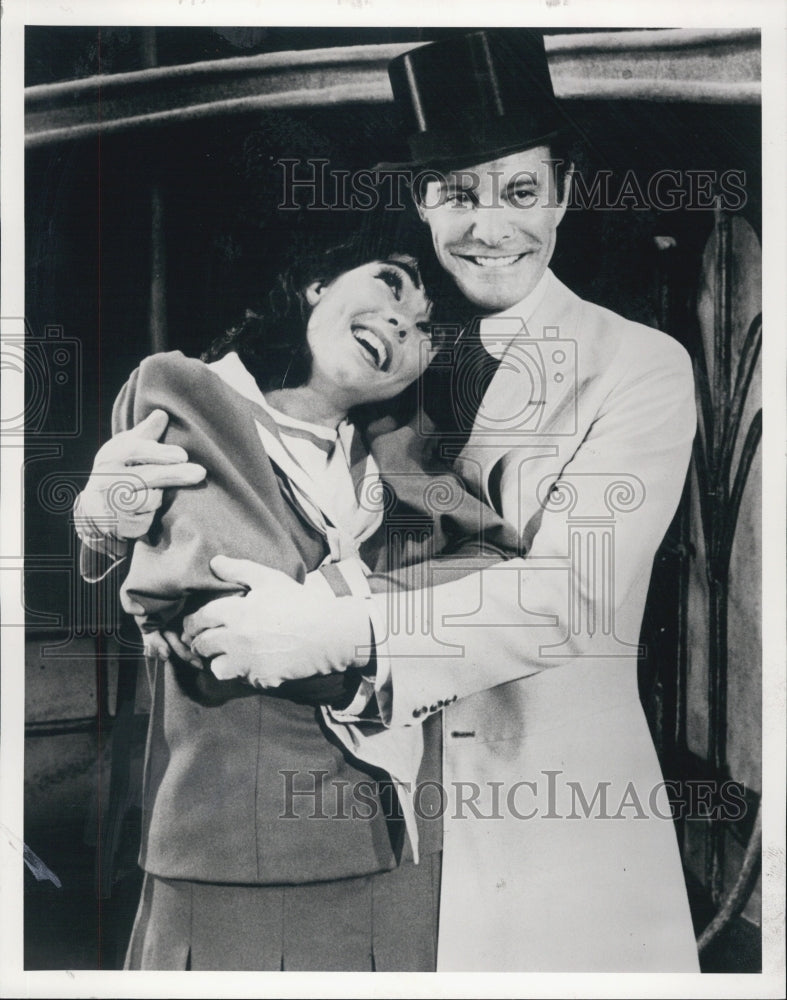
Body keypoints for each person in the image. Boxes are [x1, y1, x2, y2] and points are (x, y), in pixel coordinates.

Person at [77, 29, 700, 972]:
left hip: (548, 812)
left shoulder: (638, 364)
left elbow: (575, 595)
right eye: (455, 193)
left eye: (520, 193)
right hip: (379, 835)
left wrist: (339, 630)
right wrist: (106, 515)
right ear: (421, 200)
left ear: (564, 194)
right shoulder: (382, 357)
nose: (489, 227)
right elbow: (240, 483)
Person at [74, 232, 521, 971]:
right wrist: (400, 628)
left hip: (403, 847)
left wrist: (340, 606)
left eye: (429, 327)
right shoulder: (187, 391)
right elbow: (224, 615)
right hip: (241, 853)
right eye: (391, 281)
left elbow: (501, 568)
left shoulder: (406, 458)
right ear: (316, 283)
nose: (406, 321)